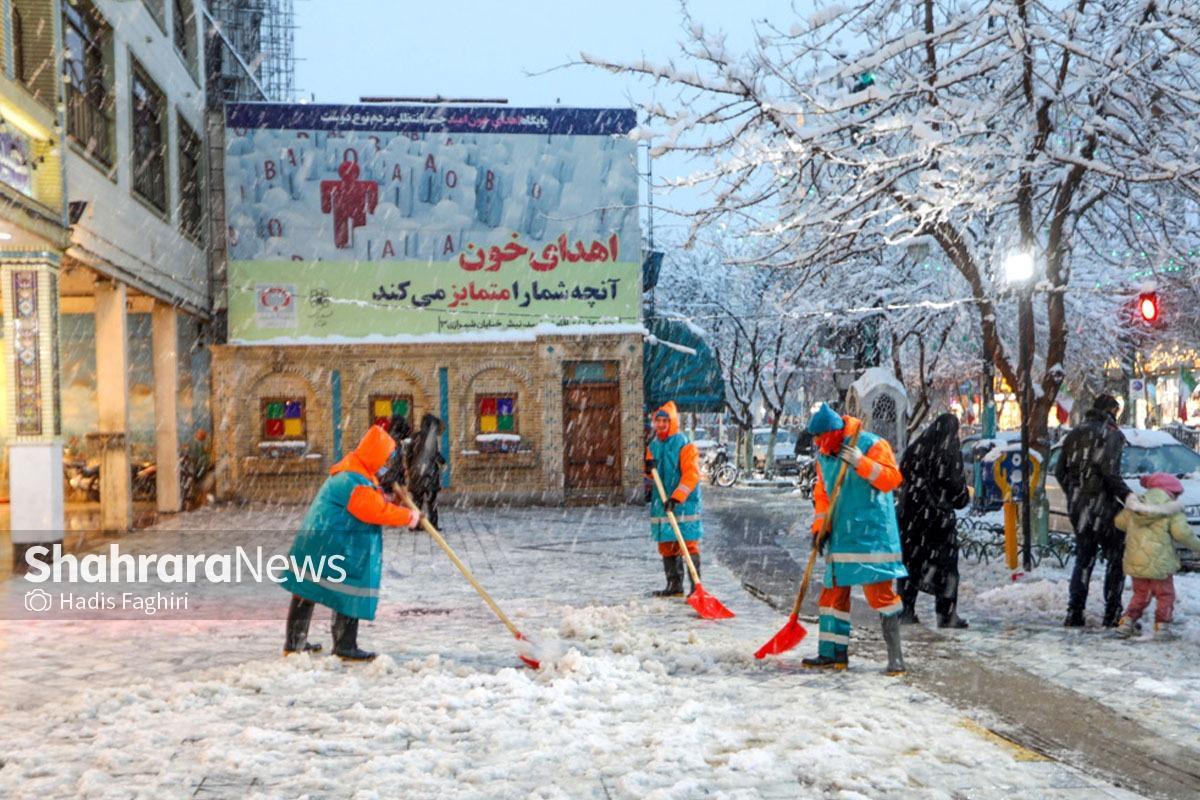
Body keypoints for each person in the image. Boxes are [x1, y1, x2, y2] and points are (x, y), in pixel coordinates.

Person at [280, 425, 422, 661]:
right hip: (333, 543)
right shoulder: (354, 479)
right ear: (375, 455)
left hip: (321, 540)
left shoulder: (354, 471)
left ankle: (295, 644)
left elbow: (371, 500)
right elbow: (374, 511)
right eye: (385, 458)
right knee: (348, 590)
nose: (386, 464)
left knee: (306, 590)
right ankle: (344, 646)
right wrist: (409, 517)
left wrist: (391, 500)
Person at [802, 403, 908, 674]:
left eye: (820, 438)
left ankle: (896, 657)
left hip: (872, 538)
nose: (817, 444)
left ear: (832, 431)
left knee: (881, 597)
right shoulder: (824, 457)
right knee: (832, 597)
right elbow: (823, 495)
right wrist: (820, 527)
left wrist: (861, 463)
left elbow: (891, 479)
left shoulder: (872, 444)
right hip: (840, 537)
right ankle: (833, 654)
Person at [1054, 393, 1129, 627]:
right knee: (1116, 558)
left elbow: (1060, 472)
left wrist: (1076, 494)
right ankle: (1112, 612)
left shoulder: (1074, 434)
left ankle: (1075, 612)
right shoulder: (1112, 434)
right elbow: (1110, 473)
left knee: (1084, 559)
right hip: (1104, 507)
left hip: (1080, 508)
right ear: (1111, 410)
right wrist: (1128, 497)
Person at [896, 413, 971, 628]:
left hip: (911, 518)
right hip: (937, 522)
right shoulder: (947, 450)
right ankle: (946, 615)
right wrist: (961, 498)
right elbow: (956, 488)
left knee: (910, 564)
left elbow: (902, 475)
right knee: (947, 569)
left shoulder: (916, 448)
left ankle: (905, 609)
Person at [1112, 473, 1200, 640]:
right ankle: (1162, 627)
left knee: (1140, 595)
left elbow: (1119, 522)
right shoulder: (1171, 510)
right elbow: (1182, 534)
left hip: (1136, 560)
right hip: (1161, 563)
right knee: (1165, 595)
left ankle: (1126, 623)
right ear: (1171, 492)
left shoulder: (1136, 506)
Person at [644, 401, 703, 597]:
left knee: (688, 544)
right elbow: (656, 476)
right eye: (657, 421)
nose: (660, 425)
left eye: (664, 421)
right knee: (667, 544)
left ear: (672, 422)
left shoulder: (684, 444)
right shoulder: (653, 446)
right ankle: (674, 585)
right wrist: (647, 468)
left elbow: (691, 474)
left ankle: (696, 588)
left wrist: (677, 498)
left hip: (684, 504)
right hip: (662, 503)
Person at [407, 413, 446, 530]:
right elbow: (433, 455)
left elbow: (409, 455)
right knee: (431, 502)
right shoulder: (431, 438)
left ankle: (415, 524)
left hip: (416, 474)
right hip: (429, 475)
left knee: (416, 502)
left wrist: (410, 469)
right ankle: (433, 524)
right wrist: (443, 461)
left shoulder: (415, 437)